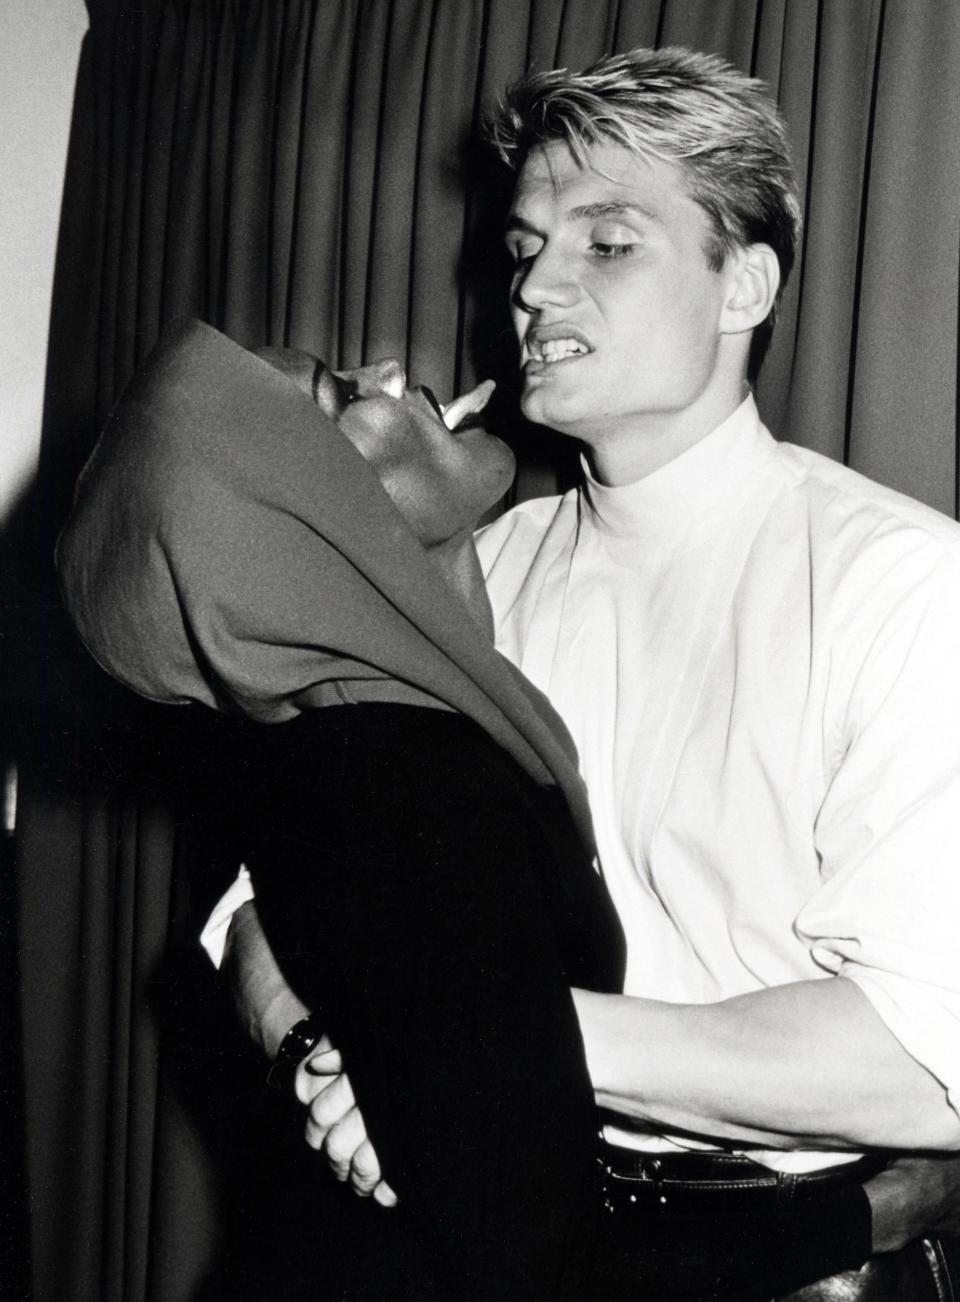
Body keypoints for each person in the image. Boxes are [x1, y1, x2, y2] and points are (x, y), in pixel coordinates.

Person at [228, 45, 960, 1300]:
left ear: (747, 286)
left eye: (607, 242)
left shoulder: (904, 586)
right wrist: (320, 1050)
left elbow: (921, 1056)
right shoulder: (462, 578)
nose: (536, 287)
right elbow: (256, 908)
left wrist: (459, 1051)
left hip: (796, 1263)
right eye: (524, 249)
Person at [55, 317, 627, 1300]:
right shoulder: (423, 789)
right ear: (308, 516)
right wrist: (870, 1213)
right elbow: (543, 1262)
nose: (392, 371)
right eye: (336, 392)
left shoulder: (336, 760)